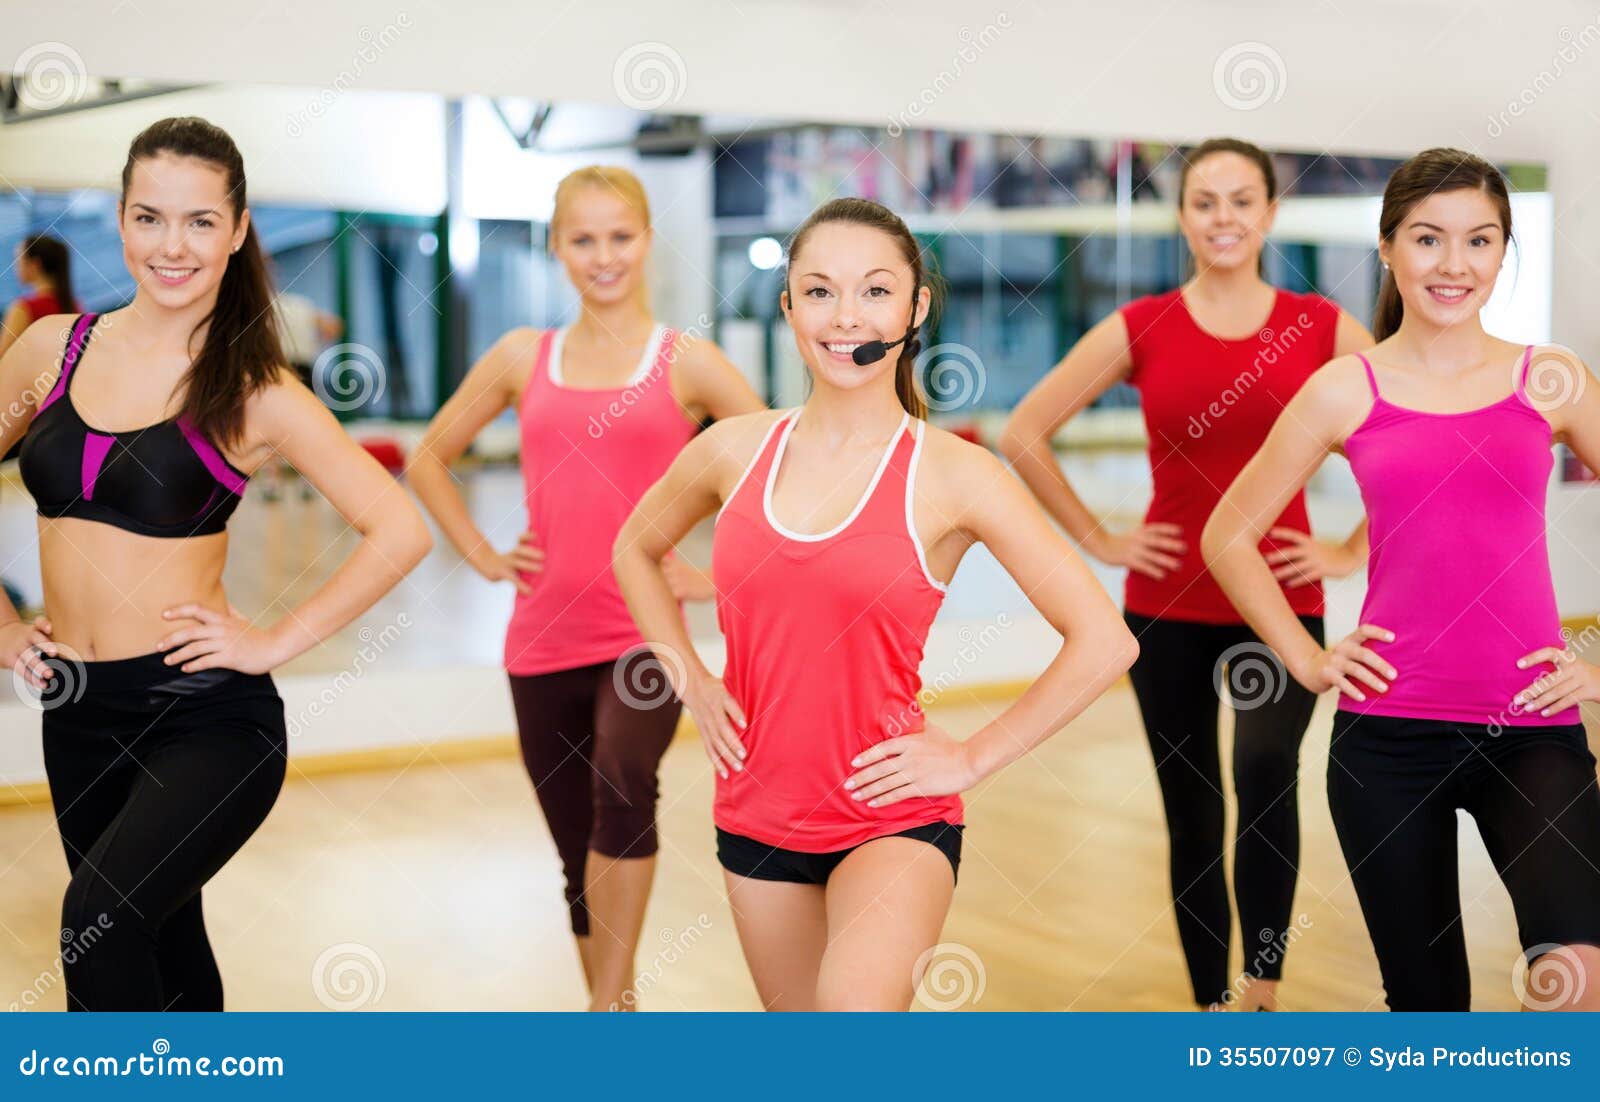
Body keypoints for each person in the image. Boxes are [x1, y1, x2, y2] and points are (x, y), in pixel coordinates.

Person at [613, 197, 1139, 1011]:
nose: (845, 315)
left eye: (875, 290)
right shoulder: (732, 450)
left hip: (893, 815)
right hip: (756, 813)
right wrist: (690, 676)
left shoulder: (958, 475)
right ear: (787, 304)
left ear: (916, 306)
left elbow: (1105, 641)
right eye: (819, 291)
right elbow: (634, 549)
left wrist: (972, 757)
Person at [0, 116, 432, 1011]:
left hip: (205, 716)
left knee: (100, 925)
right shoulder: (51, 351)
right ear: (120, 221)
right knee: (160, 944)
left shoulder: (257, 391)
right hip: (76, 709)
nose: (173, 245)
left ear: (237, 231)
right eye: (150, 218)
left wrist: (274, 640)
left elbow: (399, 527)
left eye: (201, 221)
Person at [1203, 147, 1600, 1011]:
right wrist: (1306, 663)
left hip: (1533, 729)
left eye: (1479, 240)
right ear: (1388, 248)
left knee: (1578, 976)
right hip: (1386, 742)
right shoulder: (1345, 389)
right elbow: (1228, 534)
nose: (1453, 264)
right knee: (1428, 1009)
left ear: (1502, 253)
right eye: (1428, 239)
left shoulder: (1554, 378)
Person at [1001, 138, 1373, 1010]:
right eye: (1205, 201)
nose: (1224, 218)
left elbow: (1408, 436)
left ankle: (1263, 987)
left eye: (1243, 200)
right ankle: (1209, 1001)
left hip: (1282, 600)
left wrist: (1353, 547)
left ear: (1271, 214)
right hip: (1166, 608)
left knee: (1267, 774)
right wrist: (1100, 535)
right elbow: (1024, 431)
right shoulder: (1143, 326)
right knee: (1192, 808)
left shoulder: (1319, 325)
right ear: (1182, 217)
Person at [406, 165, 764, 1011]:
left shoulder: (689, 362)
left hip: (644, 636)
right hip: (540, 640)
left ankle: (603, 1012)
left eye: (621, 236)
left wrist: (708, 578)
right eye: (583, 238)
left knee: (622, 783)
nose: (603, 256)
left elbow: (776, 475)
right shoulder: (523, 356)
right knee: (578, 852)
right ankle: (619, 999)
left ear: (647, 241)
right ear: (557, 247)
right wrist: (486, 556)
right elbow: (427, 458)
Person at [0, 233, 79, 359]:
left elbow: (2, 361)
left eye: (18, 261)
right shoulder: (75, 306)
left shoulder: (23, 309)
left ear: (35, 264)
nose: (15, 268)